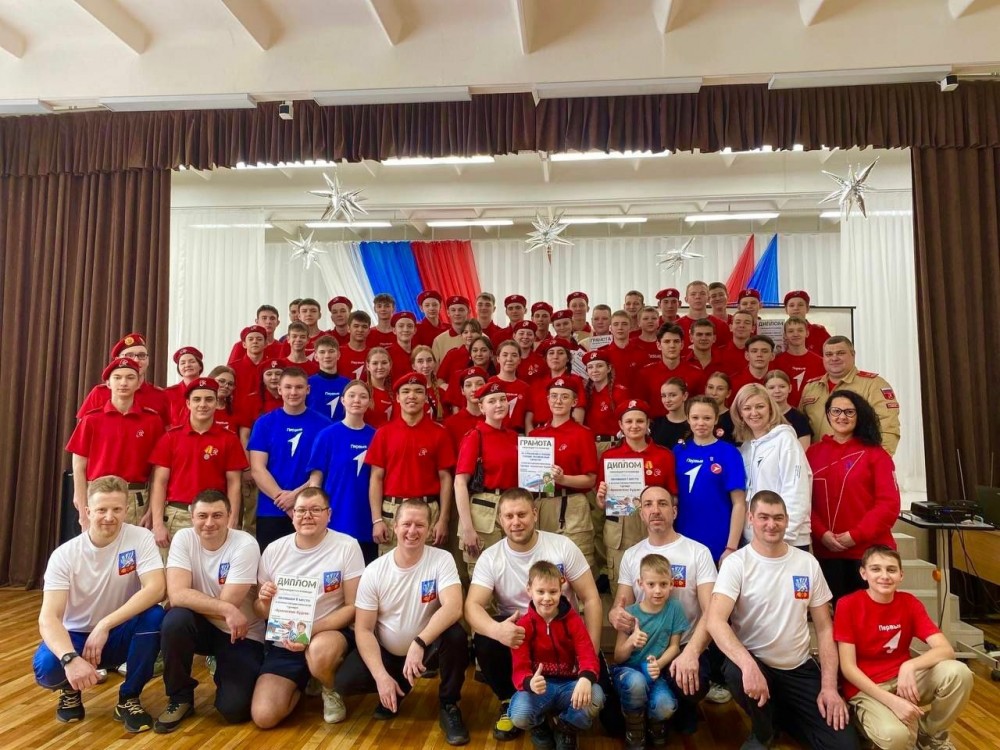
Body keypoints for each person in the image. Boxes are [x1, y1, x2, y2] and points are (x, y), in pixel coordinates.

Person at [707, 490, 857, 750]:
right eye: (764, 517)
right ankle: (763, 732)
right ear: (751, 518)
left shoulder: (807, 563)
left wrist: (830, 687)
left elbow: (824, 628)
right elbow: (715, 621)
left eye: (778, 518)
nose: (771, 524)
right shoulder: (737, 563)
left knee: (844, 745)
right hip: (756, 664)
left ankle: (780, 715)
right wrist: (748, 665)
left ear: (787, 520)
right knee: (735, 670)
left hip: (799, 668)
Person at [465, 488, 602, 742]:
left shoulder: (562, 546)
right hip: (521, 636)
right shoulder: (491, 557)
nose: (516, 522)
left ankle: (563, 718)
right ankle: (511, 701)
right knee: (484, 636)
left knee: (605, 709)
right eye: (509, 516)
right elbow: (472, 606)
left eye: (522, 514)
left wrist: (590, 655)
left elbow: (591, 598)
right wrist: (497, 631)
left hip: (563, 632)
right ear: (500, 520)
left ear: (535, 514)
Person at [33, 476, 166, 732]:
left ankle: (129, 698)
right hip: (76, 637)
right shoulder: (64, 555)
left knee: (155, 616)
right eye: (102, 509)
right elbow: (48, 618)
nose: (109, 517)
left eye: (116, 509)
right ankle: (69, 690)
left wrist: (105, 624)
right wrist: (70, 658)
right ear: (87, 511)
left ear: (125, 509)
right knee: (47, 667)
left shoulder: (140, 538)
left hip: (118, 632)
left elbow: (156, 588)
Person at [335, 500, 471, 746]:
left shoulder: (442, 559)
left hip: (426, 648)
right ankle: (395, 684)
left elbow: (453, 607)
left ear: (429, 529)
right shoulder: (375, 570)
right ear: (394, 526)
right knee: (345, 682)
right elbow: (364, 630)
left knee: (456, 635)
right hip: (388, 652)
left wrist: (419, 643)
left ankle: (449, 704)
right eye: (406, 524)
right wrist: (381, 677)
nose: (412, 531)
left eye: (420, 525)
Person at [835, 545, 973, 750]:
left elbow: (946, 650)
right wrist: (892, 702)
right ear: (863, 573)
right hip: (866, 687)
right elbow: (848, 668)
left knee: (959, 673)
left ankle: (930, 735)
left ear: (901, 575)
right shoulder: (848, 605)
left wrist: (909, 666)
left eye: (891, 570)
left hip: (903, 680)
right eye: (876, 569)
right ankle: (861, 724)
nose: (884, 576)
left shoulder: (909, 603)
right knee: (896, 737)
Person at [607, 486, 721, 735]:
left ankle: (679, 707)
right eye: (648, 504)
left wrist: (691, 653)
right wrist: (614, 614)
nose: (655, 510)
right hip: (643, 647)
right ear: (641, 513)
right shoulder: (631, 555)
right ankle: (645, 711)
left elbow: (711, 612)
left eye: (662, 503)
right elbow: (621, 605)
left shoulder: (698, 552)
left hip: (682, 645)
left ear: (675, 511)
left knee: (691, 689)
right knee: (613, 725)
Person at [252, 487, 364, 729]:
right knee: (263, 716)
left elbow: (353, 607)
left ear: (329, 514)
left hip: (327, 634)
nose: (307, 516)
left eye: (315, 510)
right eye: (301, 510)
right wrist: (264, 601)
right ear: (292, 515)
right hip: (285, 641)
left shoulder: (347, 546)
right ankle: (305, 681)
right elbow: (260, 611)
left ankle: (329, 687)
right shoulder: (274, 550)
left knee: (319, 652)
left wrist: (308, 631)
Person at [156, 489, 264, 732]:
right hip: (203, 626)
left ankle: (226, 669)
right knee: (175, 621)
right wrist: (223, 607)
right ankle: (180, 697)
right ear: (191, 515)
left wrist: (189, 600)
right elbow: (178, 594)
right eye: (202, 516)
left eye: (217, 515)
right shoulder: (184, 538)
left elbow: (226, 602)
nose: (209, 523)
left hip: (240, 633)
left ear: (229, 516)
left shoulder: (245, 544)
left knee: (234, 710)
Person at [808, 391, 901, 601]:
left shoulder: (876, 454)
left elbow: (888, 505)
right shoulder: (812, 454)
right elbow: (804, 502)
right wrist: (822, 533)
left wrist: (855, 535)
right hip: (827, 552)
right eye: (836, 411)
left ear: (859, 415)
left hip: (869, 554)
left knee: (870, 617)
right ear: (828, 414)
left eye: (849, 412)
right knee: (835, 617)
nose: (842, 416)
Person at [509, 561, 606, 748]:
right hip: (540, 688)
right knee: (519, 714)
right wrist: (529, 682)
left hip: (570, 684)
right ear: (529, 590)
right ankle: (540, 726)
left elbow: (587, 654)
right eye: (540, 592)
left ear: (561, 590)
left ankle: (565, 727)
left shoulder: (573, 620)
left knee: (596, 696)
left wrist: (585, 678)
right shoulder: (523, 626)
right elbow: (519, 668)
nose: (547, 598)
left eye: (553, 592)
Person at [148, 378, 248, 559]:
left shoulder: (229, 439)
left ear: (216, 403)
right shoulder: (171, 438)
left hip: (214, 518)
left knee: (212, 571)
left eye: (209, 399)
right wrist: (158, 524)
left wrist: (232, 520)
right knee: (172, 572)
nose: (203, 404)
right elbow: (159, 482)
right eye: (197, 399)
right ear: (188, 403)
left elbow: (234, 483)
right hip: (177, 515)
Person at [67, 357, 165, 528]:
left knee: (133, 545)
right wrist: (83, 512)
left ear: (138, 383)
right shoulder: (91, 420)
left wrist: (152, 510)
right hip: (97, 496)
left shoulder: (152, 421)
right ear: (108, 383)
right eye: (117, 377)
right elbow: (78, 467)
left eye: (130, 377)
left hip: (135, 498)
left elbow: (158, 470)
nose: (123, 383)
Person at [366, 372, 456, 553]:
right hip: (392, 512)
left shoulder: (440, 433)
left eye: (418, 391)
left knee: (429, 567)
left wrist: (443, 520)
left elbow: (446, 478)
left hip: (428, 511)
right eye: (406, 391)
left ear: (426, 397)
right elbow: (376, 478)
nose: (412, 396)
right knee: (391, 567)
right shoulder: (383, 433)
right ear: (398, 398)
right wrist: (377, 520)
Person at [249, 367, 333, 551]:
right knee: (271, 564)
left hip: (311, 511)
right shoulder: (264, 423)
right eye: (288, 387)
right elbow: (257, 469)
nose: (293, 392)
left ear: (308, 390)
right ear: (279, 389)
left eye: (299, 387)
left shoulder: (324, 425)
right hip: (271, 510)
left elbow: (323, 470)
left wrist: (295, 498)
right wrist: (283, 501)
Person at [595, 399, 678, 582]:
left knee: (655, 581)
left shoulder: (664, 455)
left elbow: (673, 496)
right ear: (621, 425)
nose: (634, 426)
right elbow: (602, 504)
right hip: (621, 527)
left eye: (640, 421)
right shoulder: (609, 456)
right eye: (629, 421)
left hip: (654, 523)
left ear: (648, 424)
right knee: (621, 584)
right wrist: (602, 501)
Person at [612, 553, 689, 749]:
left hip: (655, 673)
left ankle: (655, 723)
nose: (657, 590)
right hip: (627, 671)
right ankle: (634, 726)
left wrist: (659, 664)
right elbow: (618, 656)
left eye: (663, 584)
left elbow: (675, 646)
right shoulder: (630, 613)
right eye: (651, 584)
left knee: (666, 706)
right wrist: (631, 642)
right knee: (636, 682)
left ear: (671, 584)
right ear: (640, 584)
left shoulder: (675, 608)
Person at [731, 383, 812, 549]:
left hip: (786, 540)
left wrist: (783, 535)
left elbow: (797, 491)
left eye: (760, 406)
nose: (754, 413)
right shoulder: (746, 448)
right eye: (747, 408)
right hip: (756, 540)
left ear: (770, 408)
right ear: (740, 414)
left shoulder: (785, 440)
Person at [529, 376, 599, 568]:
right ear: (547, 399)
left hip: (573, 504)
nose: (558, 401)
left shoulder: (582, 434)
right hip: (542, 503)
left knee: (576, 563)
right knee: (544, 563)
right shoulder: (535, 435)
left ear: (574, 402)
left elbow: (590, 480)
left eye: (564, 396)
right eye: (554, 396)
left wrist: (563, 478)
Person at [308, 380, 378, 563]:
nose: (357, 400)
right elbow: (315, 480)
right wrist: (316, 512)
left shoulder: (376, 436)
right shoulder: (327, 435)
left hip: (366, 518)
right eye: (351, 396)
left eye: (363, 396)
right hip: (336, 516)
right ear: (342, 400)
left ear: (370, 402)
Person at [454, 380, 518, 576]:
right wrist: (468, 528)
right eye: (492, 401)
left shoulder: (514, 437)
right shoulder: (475, 436)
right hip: (483, 512)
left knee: (512, 572)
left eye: (502, 400)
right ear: (481, 407)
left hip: (512, 507)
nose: (499, 405)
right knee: (483, 574)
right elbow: (460, 483)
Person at [673, 396, 747, 563]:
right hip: (683, 541)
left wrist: (731, 547)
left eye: (707, 418)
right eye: (695, 417)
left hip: (719, 543)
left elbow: (739, 503)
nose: (701, 423)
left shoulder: (729, 453)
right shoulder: (678, 451)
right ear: (687, 418)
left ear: (716, 419)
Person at [800, 336, 901, 455]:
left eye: (840, 353)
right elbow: (800, 427)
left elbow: (888, 427)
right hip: (817, 460)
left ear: (853, 355)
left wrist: (878, 460)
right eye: (829, 354)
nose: (834, 358)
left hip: (856, 461)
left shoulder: (873, 385)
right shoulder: (811, 388)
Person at [77, 332, 170, 425]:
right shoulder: (99, 393)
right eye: (129, 355)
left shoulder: (160, 396)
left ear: (148, 360)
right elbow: (84, 428)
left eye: (142, 355)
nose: (136, 360)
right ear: (117, 360)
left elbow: (167, 430)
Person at [637, 324, 705, 417]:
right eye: (667, 341)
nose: (672, 345)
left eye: (676, 341)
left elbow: (701, 406)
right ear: (658, 345)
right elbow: (641, 407)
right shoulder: (645, 373)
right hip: (655, 424)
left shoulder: (696, 373)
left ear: (682, 345)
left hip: (687, 424)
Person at [524, 338, 586, 430]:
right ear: (546, 358)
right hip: (538, 434)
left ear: (568, 358)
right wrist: (531, 436)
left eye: (560, 353)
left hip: (565, 432)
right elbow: (529, 419)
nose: (555, 357)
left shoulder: (575, 381)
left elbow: (578, 414)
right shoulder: (537, 383)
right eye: (551, 353)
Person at [772, 316, 825, 407]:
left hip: (812, 412)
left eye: (800, 330)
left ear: (807, 333)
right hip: (783, 412)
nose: (795, 334)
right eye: (791, 331)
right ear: (785, 335)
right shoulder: (775, 362)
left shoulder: (821, 362)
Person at [582, 349, 629, 441]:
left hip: (613, 442)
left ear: (608, 368)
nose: (594, 370)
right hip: (590, 442)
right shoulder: (586, 394)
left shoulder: (620, 392)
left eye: (599, 366)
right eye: (590, 367)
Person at [764, 370, 812, 450]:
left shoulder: (799, 418)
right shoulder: (760, 416)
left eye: (782, 386)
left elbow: (804, 451)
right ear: (765, 390)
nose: (777, 391)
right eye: (771, 387)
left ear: (790, 388)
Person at [305, 335, 350, 421]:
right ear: (316, 357)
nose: (327, 356)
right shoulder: (307, 384)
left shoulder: (348, 384)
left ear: (338, 355)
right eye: (322, 352)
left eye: (331, 351)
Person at [443, 366, 487, 449]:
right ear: (462, 390)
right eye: (468, 385)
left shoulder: (495, 421)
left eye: (479, 384)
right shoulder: (450, 424)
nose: (474, 389)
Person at [677, 280, 731, 347]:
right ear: (686, 299)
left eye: (702, 293)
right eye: (693, 294)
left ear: (708, 298)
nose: (698, 297)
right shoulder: (676, 326)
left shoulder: (722, 326)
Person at [603, 309, 645, 390]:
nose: (620, 328)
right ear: (610, 328)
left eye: (624, 324)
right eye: (616, 324)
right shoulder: (604, 355)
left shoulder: (641, 353)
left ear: (630, 327)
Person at [494, 339, 531, 432]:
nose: (509, 359)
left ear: (519, 360)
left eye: (514, 355)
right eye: (505, 355)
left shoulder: (526, 388)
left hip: (517, 435)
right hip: (493, 434)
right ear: (498, 359)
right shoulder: (489, 383)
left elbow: (528, 421)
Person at [163, 346, 205, 425]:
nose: (187, 365)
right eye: (182, 363)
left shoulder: (208, 390)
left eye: (192, 361)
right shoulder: (168, 393)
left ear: (200, 366)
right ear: (179, 369)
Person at [728, 334, 776, 402]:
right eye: (754, 351)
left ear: (772, 356)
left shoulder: (778, 381)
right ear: (747, 355)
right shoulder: (733, 382)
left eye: (764, 351)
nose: (759, 355)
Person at [438, 320, 484, 388]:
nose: (469, 335)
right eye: (465, 332)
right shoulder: (452, 354)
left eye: (473, 331)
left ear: (480, 334)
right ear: (461, 335)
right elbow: (440, 380)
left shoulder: (485, 354)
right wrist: (450, 389)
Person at [783, 290, 831, 355]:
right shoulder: (780, 332)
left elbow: (832, 352)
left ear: (807, 308)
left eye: (800, 305)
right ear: (786, 310)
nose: (796, 308)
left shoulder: (819, 331)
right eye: (791, 305)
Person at [650, 377, 691, 448]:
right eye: (663, 396)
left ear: (685, 396)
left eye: (673, 395)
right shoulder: (655, 424)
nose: (667, 400)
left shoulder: (693, 424)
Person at [411, 344, 448, 421]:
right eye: (420, 361)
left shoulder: (442, 393)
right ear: (413, 366)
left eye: (429, 360)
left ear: (434, 363)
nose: (426, 365)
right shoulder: (409, 393)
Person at [432, 295, 473, 362]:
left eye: (461, 310)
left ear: (469, 312)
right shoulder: (439, 341)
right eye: (453, 310)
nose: (457, 313)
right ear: (448, 313)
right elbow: (435, 367)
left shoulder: (480, 337)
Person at [362, 346, 394, 428]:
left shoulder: (395, 392)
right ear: (368, 366)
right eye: (375, 363)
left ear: (390, 365)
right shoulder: (362, 391)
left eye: (384, 363)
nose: (380, 367)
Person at [716, 311, 756, 376]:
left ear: (753, 329)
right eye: (738, 322)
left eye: (747, 323)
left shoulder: (759, 354)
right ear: (730, 327)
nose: (741, 326)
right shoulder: (718, 353)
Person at [337, 311, 371, 380]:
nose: (360, 330)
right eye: (356, 326)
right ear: (348, 328)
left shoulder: (373, 354)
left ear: (369, 331)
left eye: (364, 327)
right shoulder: (338, 352)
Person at [704, 371, 736, 443]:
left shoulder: (734, 418)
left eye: (720, 389)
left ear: (728, 393)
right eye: (710, 387)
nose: (714, 393)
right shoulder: (695, 415)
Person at [387, 310, 417, 376]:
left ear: (415, 330)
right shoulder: (387, 354)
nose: (405, 330)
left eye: (409, 326)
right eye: (401, 326)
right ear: (394, 330)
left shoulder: (419, 352)